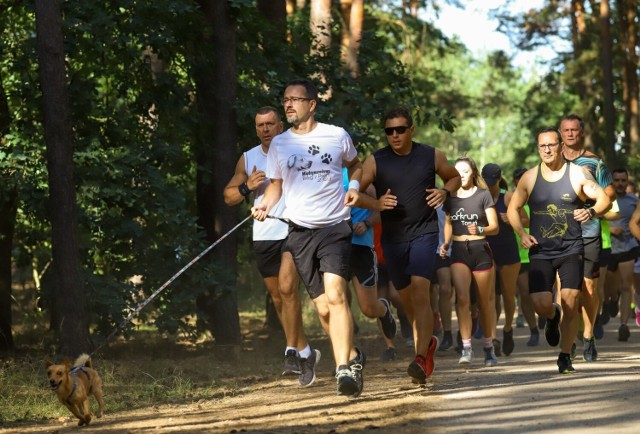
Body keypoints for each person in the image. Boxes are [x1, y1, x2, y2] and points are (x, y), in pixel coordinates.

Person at [251, 79, 364, 398]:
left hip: (334, 228)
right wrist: (264, 205)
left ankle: (343, 370)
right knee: (324, 310)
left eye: (295, 100)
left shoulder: (336, 135)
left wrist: (353, 188)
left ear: (311, 104)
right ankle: (353, 356)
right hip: (299, 233)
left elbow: (356, 166)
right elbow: (276, 186)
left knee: (336, 294)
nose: (288, 105)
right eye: (285, 100)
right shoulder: (279, 145)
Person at [352, 107, 461, 385]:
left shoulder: (431, 154)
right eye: (389, 131)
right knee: (407, 301)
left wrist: (444, 191)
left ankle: (420, 359)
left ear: (411, 129)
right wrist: (375, 204)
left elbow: (454, 176)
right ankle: (426, 348)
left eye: (400, 129)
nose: (395, 135)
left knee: (421, 291)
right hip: (393, 238)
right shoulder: (376, 161)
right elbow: (354, 195)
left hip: (424, 233)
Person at [507, 127, 611, 374]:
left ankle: (565, 355)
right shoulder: (530, 177)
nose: (546, 150)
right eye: (542, 146)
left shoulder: (577, 174)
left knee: (571, 300)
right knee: (541, 304)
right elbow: (513, 209)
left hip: (571, 247)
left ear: (561, 146)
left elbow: (604, 199)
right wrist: (522, 234)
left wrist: (591, 211)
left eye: (551, 145)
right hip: (540, 250)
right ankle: (552, 316)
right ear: (538, 148)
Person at [223, 106, 311, 384]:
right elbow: (228, 197)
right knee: (278, 298)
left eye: (270, 124)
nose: (265, 129)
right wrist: (247, 187)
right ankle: (305, 351)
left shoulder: (297, 149)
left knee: (288, 289)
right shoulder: (248, 158)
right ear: (256, 128)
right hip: (264, 234)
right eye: (260, 125)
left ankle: (290, 352)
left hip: (293, 228)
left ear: (280, 125)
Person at [560, 114, 616, 362]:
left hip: (590, 231)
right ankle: (569, 339)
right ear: (560, 133)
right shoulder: (553, 161)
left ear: (581, 132)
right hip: (561, 233)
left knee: (589, 287)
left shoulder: (594, 162)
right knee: (566, 290)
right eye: (566, 130)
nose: (570, 134)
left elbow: (610, 191)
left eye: (574, 130)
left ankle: (589, 335)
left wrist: (591, 198)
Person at [441, 156, 499, 367]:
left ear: (473, 173)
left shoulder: (483, 195)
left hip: (480, 249)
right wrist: (446, 243)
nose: (461, 176)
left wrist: (481, 228)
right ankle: (466, 348)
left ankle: (488, 347)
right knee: (462, 299)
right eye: (457, 173)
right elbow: (448, 223)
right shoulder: (450, 197)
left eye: (465, 172)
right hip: (458, 251)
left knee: (484, 303)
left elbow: (495, 226)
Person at [341, 168, 398, 358]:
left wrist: (366, 224)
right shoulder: (322, 176)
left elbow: (381, 211)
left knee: (368, 309)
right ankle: (346, 357)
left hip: (361, 247)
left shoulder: (363, 180)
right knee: (336, 303)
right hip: (334, 247)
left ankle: (382, 308)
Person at [482, 163, 521, 356]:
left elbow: (527, 221)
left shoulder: (509, 197)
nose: (489, 186)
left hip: (507, 249)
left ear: (499, 179)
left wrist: (511, 220)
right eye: (485, 182)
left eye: (492, 182)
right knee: (490, 295)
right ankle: (494, 336)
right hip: (487, 249)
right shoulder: (478, 197)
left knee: (507, 294)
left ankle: (507, 329)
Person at [606, 168, 639, 341]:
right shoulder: (603, 200)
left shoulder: (634, 201)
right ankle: (610, 300)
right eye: (617, 180)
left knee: (627, 286)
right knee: (609, 288)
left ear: (627, 182)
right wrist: (611, 229)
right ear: (612, 181)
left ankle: (623, 325)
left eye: (623, 180)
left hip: (627, 247)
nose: (620, 183)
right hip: (607, 249)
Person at [511, 167, 539, 346]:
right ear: (515, 182)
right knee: (525, 293)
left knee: (545, 292)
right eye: (519, 180)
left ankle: (547, 314)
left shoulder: (540, 196)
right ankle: (533, 329)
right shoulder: (513, 200)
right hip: (520, 255)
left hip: (542, 251)